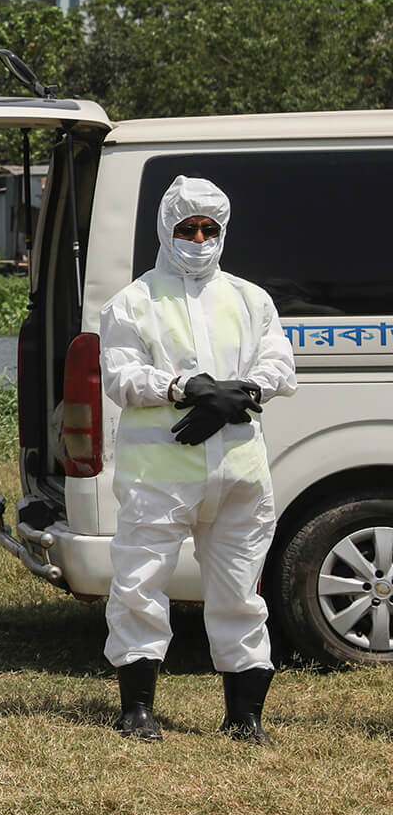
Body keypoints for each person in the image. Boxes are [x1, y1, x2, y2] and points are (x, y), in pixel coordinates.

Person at [100, 177, 296, 744]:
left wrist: (242, 393)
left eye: (211, 228)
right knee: (140, 585)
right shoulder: (134, 302)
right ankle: (136, 709)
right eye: (189, 228)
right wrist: (186, 387)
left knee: (238, 591)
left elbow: (278, 362)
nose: (201, 238)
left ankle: (245, 716)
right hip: (159, 476)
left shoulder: (250, 298)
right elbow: (121, 375)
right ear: (167, 230)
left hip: (239, 475)